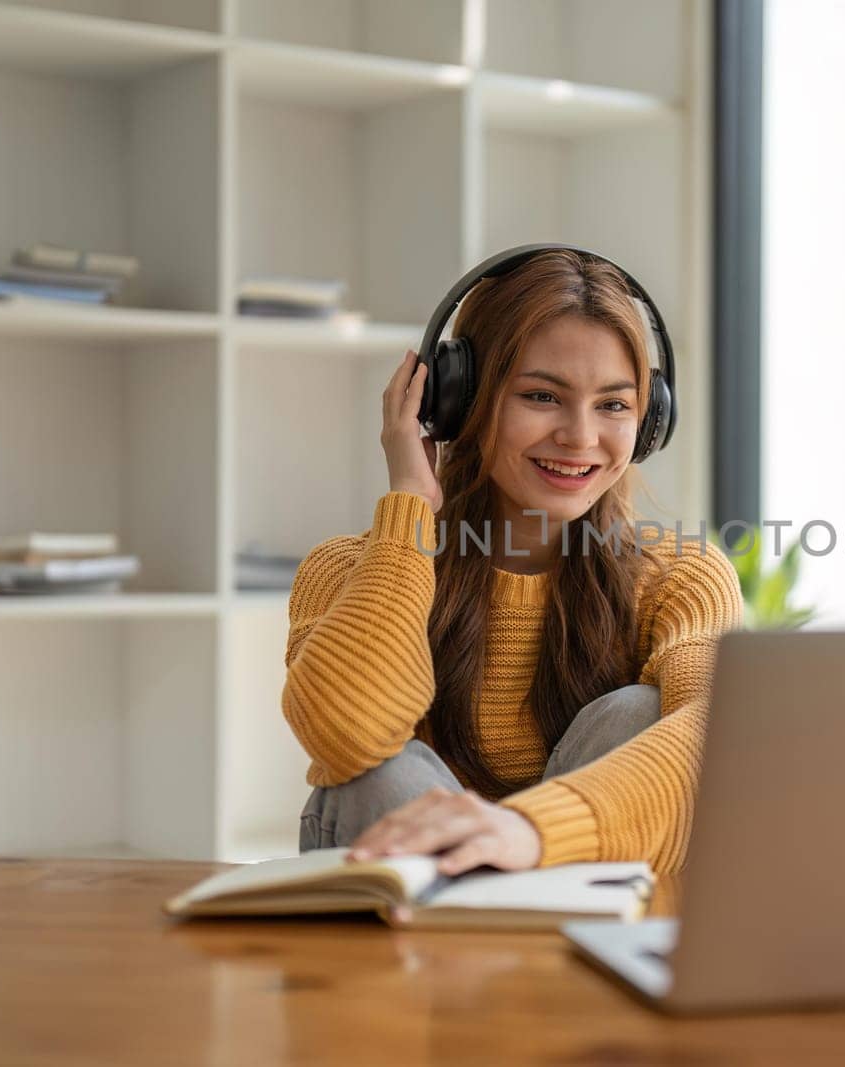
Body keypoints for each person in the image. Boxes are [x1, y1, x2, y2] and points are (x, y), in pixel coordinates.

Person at [285, 248, 742, 879]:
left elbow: (715, 739)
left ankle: (534, 951)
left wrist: (526, 831)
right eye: (541, 396)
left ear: (650, 419)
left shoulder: (679, 578)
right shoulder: (347, 567)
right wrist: (410, 507)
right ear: (457, 400)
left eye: (613, 405)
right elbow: (350, 734)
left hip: (577, 889)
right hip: (419, 899)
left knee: (640, 712)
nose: (581, 437)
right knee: (376, 770)